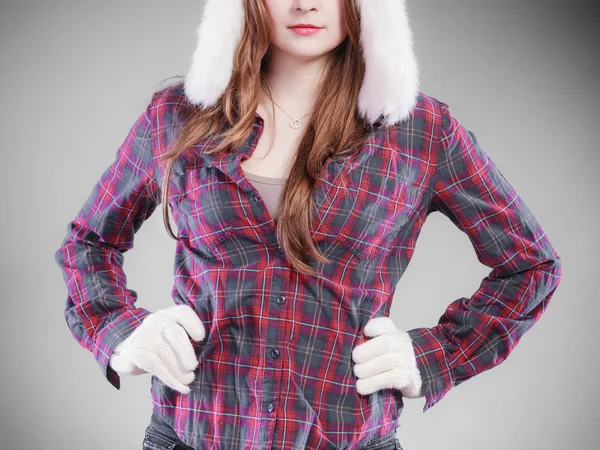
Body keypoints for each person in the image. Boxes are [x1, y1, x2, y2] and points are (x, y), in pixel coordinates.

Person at [54, 1, 563, 449]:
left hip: (348, 439)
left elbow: (530, 264)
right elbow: (89, 243)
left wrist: (434, 359)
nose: (306, 4)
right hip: (191, 434)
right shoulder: (175, 116)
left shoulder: (422, 133)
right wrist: (121, 333)